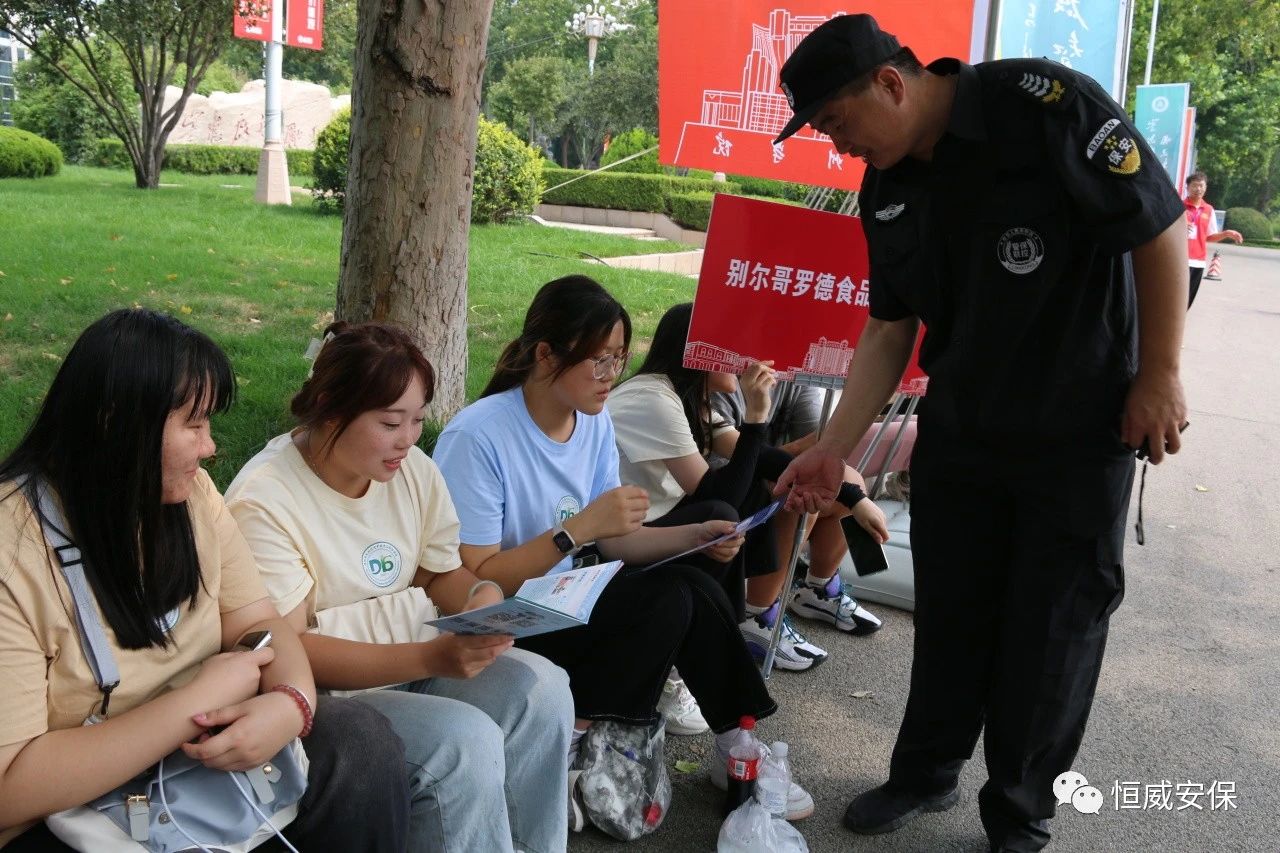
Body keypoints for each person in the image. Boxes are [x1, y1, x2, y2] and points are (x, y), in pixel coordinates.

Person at [770, 14, 1189, 852]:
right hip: (964, 426)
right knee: (953, 609)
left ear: (892, 83)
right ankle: (924, 773)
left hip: (1078, 424)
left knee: (1054, 625)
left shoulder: (1045, 107)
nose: (840, 147)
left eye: (838, 124)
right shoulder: (887, 189)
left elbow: (1157, 225)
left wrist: (1160, 374)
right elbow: (889, 328)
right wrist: (833, 447)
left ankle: (1021, 809)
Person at [0, 309, 409, 852]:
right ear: (115, 423)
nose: (211, 446)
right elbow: (10, 786)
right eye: (193, 425)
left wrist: (291, 702)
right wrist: (197, 700)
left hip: (195, 755)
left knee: (362, 743)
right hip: (70, 815)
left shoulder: (190, 497)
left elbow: (258, 621)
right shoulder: (13, 550)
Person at [432, 274, 815, 823]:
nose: (612, 375)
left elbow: (616, 540)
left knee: (692, 572)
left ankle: (735, 739)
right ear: (545, 354)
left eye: (619, 358)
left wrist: (696, 538)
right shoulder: (479, 437)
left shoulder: (590, 423)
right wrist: (575, 531)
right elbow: (476, 580)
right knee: (668, 599)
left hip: (568, 593)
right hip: (510, 618)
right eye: (599, 360)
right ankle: (577, 741)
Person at [224, 321, 575, 852]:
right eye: (390, 422)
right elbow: (286, 648)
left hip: (419, 655)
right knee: (462, 743)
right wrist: (431, 658)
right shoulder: (265, 500)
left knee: (543, 690)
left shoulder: (411, 470)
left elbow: (437, 573)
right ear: (330, 409)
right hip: (333, 697)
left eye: (417, 420)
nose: (408, 439)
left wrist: (481, 600)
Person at [608, 302, 888, 677]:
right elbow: (718, 492)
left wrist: (856, 498)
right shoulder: (654, 398)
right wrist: (756, 417)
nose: (745, 360)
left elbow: (768, 460)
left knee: (766, 486)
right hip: (622, 536)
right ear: (700, 354)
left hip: (658, 516)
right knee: (727, 509)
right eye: (734, 350)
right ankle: (740, 625)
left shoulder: (690, 400)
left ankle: (752, 615)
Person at [1184, 171, 1243, 307]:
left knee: (1188, 300)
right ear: (1187, 187)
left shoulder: (1208, 209)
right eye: (1194, 185)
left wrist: (1226, 233)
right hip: (1180, 259)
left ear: (1205, 188)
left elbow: (1209, 237)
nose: (1198, 189)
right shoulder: (1179, 207)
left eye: (1201, 186)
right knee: (1175, 299)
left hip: (1198, 262)